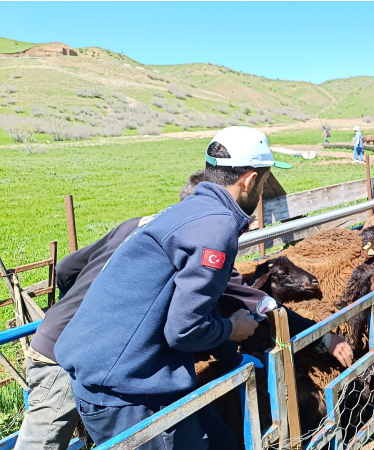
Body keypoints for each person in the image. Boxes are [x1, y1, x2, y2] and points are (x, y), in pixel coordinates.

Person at [15, 170, 353, 450]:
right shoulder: (198, 243)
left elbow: (68, 268)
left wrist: (74, 306)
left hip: (76, 343)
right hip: (71, 359)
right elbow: (243, 301)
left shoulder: (140, 227)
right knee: (43, 443)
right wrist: (321, 338)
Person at [55, 126, 292, 449]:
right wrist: (231, 329)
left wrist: (233, 359)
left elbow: (197, 302)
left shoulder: (191, 211)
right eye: (264, 183)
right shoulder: (216, 228)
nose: (262, 191)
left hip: (120, 369)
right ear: (249, 180)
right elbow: (183, 330)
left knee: (223, 442)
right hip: (126, 391)